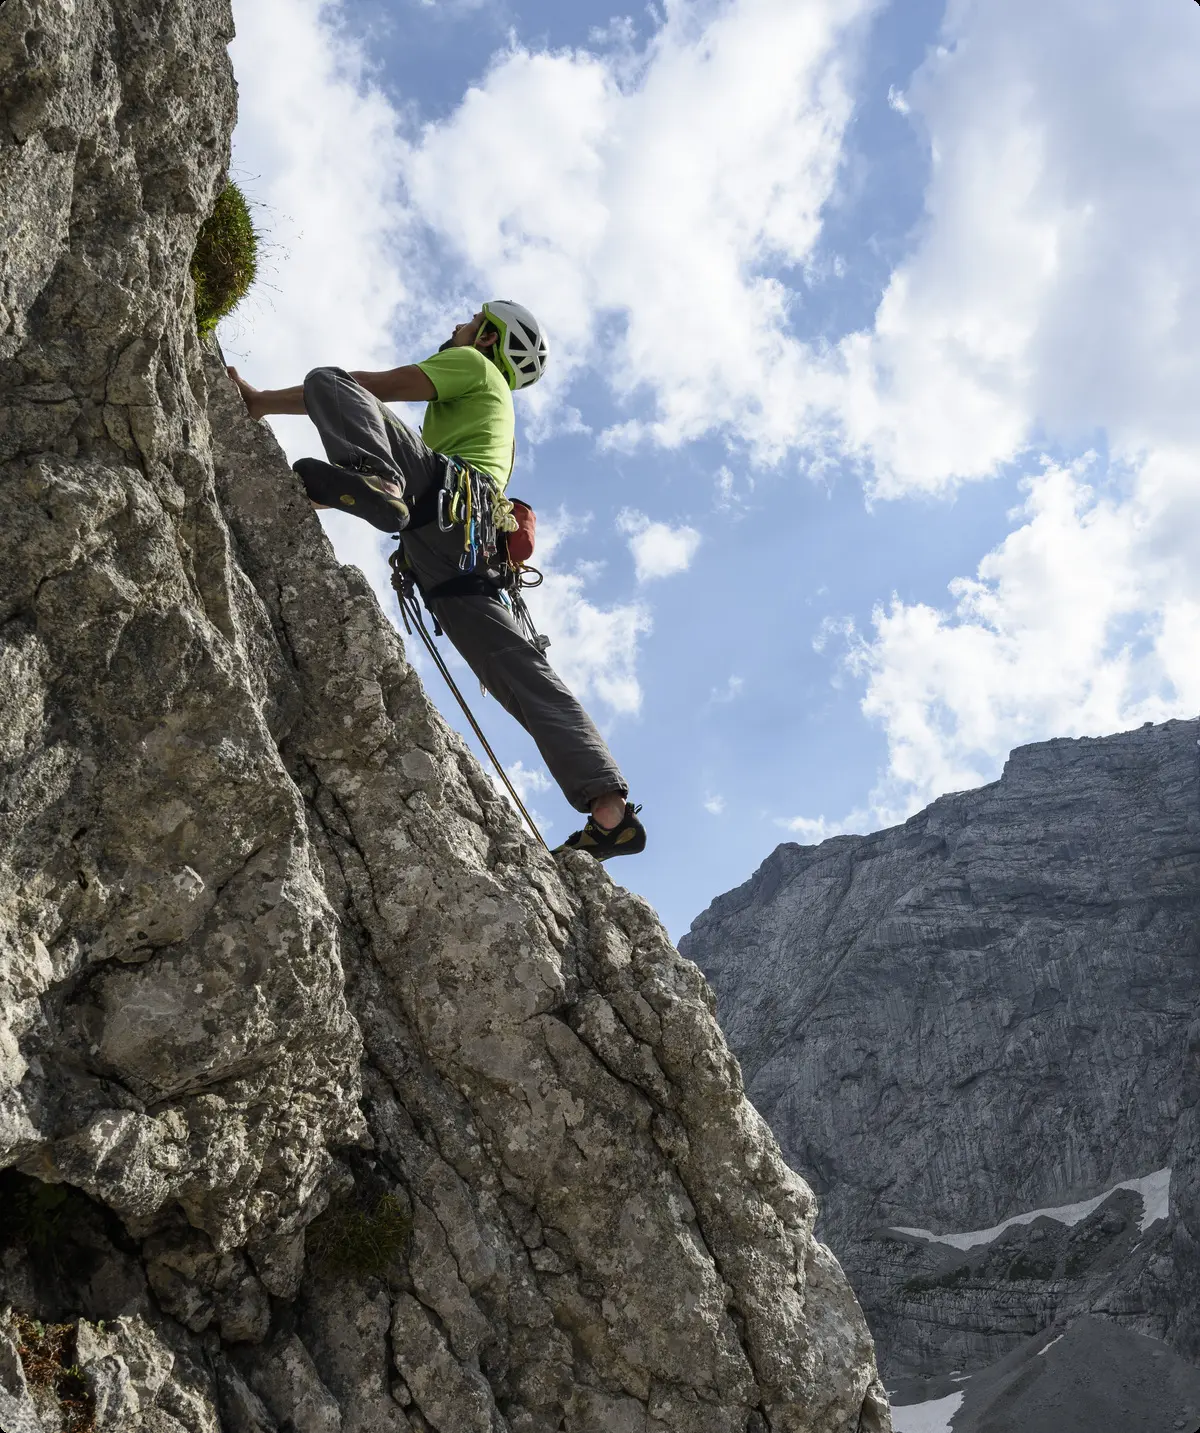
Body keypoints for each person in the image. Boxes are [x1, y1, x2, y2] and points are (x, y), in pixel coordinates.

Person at [227, 300, 646, 860]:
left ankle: (378, 478)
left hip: (440, 505)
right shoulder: (497, 418)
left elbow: (364, 387)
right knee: (521, 671)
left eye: (472, 322)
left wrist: (266, 403)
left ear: (492, 341)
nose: (457, 326)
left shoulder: (477, 367)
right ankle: (609, 809)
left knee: (328, 378)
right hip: (460, 554)